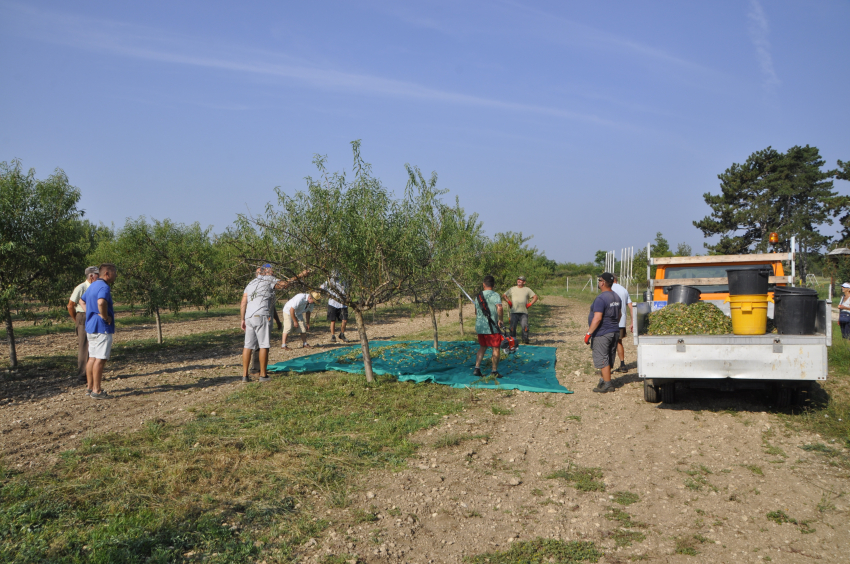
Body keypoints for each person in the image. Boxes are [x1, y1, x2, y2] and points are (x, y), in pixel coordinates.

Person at [240, 264, 291, 382]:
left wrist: (242, 319)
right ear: (266, 271)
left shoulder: (251, 283)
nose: (273, 272)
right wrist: (300, 276)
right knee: (264, 345)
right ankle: (263, 375)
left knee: (248, 346)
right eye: (272, 269)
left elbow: (243, 302)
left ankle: (244, 376)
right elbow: (285, 284)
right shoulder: (268, 279)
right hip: (261, 316)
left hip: (249, 317)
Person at [79, 263, 118, 399]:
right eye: (114, 272)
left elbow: (81, 300)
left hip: (91, 327)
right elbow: (101, 302)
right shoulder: (103, 287)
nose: (116, 275)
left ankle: (90, 388)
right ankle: (97, 390)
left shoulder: (93, 285)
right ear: (107, 274)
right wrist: (104, 316)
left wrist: (91, 312)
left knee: (92, 358)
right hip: (102, 328)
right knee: (100, 360)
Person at [584, 272, 622, 393]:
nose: (599, 282)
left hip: (602, 332)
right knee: (609, 356)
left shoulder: (601, 298)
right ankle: (603, 379)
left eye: (600, 280)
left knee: (602, 357)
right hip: (614, 330)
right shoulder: (616, 296)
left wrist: (589, 333)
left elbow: (597, 318)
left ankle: (607, 384)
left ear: (603, 282)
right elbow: (619, 314)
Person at [67, 266, 99, 383]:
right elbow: (70, 305)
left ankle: (91, 373)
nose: (99, 277)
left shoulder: (96, 287)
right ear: (91, 276)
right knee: (84, 346)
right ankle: (82, 375)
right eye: (97, 274)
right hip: (83, 316)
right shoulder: (81, 287)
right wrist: (77, 320)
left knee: (93, 345)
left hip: (92, 316)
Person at [473, 275, 504, 377]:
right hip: (491, 327)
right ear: (493, 285)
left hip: (480, 326)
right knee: (496, 348)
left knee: (482, 347)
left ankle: (477, 368)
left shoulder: (478, 297)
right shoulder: (495, 295)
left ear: (483, 285)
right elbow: (499, 308)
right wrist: (500, 319)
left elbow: (476, 312)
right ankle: (494, 371)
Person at [502, 275, 538, 344]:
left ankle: (525, 340)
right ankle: (512, 340)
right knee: (512, 328)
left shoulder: (527, 289)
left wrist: (529, 304)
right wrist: (509, 302)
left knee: (525, 327)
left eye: (521, 280)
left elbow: (535, 297)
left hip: (523, 312)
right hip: (514, 312)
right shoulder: (512, 289)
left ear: (524, 282)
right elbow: (504, 295)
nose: (518, 281)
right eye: (518, 279)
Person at [610, 275, 633, 372]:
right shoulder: (624, 290)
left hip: (610, 321)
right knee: (619, 342)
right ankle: (622, 364)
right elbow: (631, 307)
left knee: (608, 343)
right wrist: (632, 322)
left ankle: (607, 368)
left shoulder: (609, 288)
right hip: (622, 321)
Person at [321, 274, 349, 343]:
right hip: (332, 303)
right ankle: (333, 336)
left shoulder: (343, 281)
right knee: (333, 320)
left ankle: (342, 334)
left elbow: (347, 290)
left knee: (344, 320)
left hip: (342, 303)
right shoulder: (329, 281)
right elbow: (321, 287)